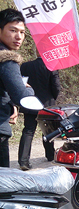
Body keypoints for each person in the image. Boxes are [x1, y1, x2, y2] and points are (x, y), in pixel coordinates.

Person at [0, 8, 34, 167]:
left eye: (22, 32)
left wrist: (10, 104)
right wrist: (27, 88)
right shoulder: (7, 59)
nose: (18, 36)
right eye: (12, 30)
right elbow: (23, 97)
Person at [18, 47, 61, 170]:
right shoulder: (51, 66)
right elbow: (56, 86)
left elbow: (21, 84)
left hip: (29, 102)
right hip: (46, 104)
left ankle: (23, 161)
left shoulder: (25, 66)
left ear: (36, 52)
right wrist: (52, 99)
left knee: (28, 130)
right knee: (47, 131)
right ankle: (50, 155)